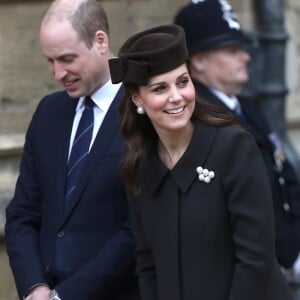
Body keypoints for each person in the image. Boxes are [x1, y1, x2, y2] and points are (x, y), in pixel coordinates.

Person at [108, 23, 294, 300]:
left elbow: (256, 260)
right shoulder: (140, 166)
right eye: (160, 88)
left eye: (183, 82)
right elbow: (147, 265)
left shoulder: (233, 147)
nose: (176, 97)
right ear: (137, 98)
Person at [5, 0, 139, 299]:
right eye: (50, 61)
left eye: (66, 58)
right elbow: (22, 214)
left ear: (100, 41)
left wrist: (65, 296)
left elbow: (137, 229)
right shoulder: (49, 113)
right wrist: (35, 287)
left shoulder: (142, 111)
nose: (57, 73)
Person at [174, 0, 300, 273]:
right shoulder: (197, 121)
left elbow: (286, 177)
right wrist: (289, 253)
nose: (246, 57)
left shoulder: (248, 107)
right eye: (232, 50)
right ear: (198, 61)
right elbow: (241, 203)